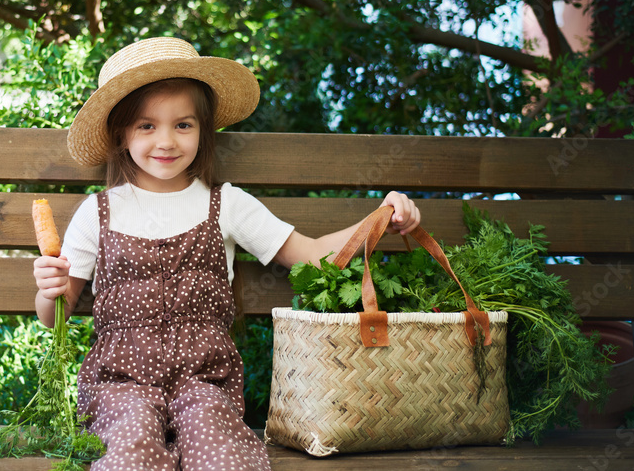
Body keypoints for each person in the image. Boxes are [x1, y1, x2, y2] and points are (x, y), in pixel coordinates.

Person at [33, 37, 420, 470]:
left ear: (203, 129)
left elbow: (312, 256)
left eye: (183, 125)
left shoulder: (228, 204)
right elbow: (55, 315)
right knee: (131, 448)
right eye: (146, 126)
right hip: (121, 382)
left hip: (205, 379)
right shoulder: (98, 212)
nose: (166, 141)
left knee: (221, 452)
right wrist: (50, 291)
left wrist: (381, 217)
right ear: (122, 134)